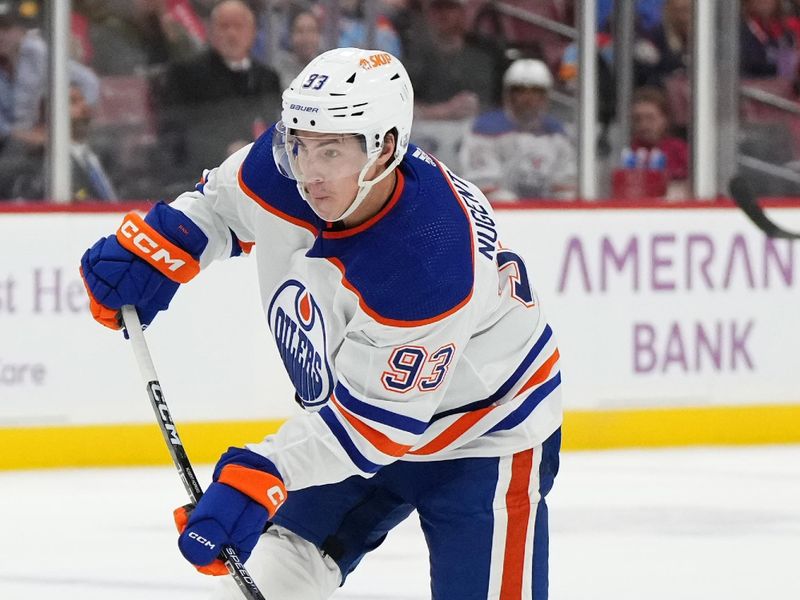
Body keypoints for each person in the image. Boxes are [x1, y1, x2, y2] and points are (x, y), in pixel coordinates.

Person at [79, 47, 562, 599]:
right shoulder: (285, 167)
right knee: (259, 584)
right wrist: (163, 245)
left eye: (331, 151)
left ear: (384, 149)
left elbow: (375, 426)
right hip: (359, 417)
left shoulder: (429, 257)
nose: (309, 173)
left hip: (486, 434)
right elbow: (219, 208)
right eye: (301, 145)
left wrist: (264, 473)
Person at [154, 0, 282, 196]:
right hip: (200, 180)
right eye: (224, 26)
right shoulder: (186, 74)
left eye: (238, 26)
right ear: (211, 31)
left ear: (253, 32)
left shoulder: (268, 78)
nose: (231, 33)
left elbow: (274, 126)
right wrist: (224, 149)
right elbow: (176, 130)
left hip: (257, 182)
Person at [460, 59, 576, 201]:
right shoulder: (485, 129)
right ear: (508, 94)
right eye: (520, 91)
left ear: (546, 96)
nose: (529, 99)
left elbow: (565, 182)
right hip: (501, 215)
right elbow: (482, 184)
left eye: (536, 91)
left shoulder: (557, 132)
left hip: (546, 214)